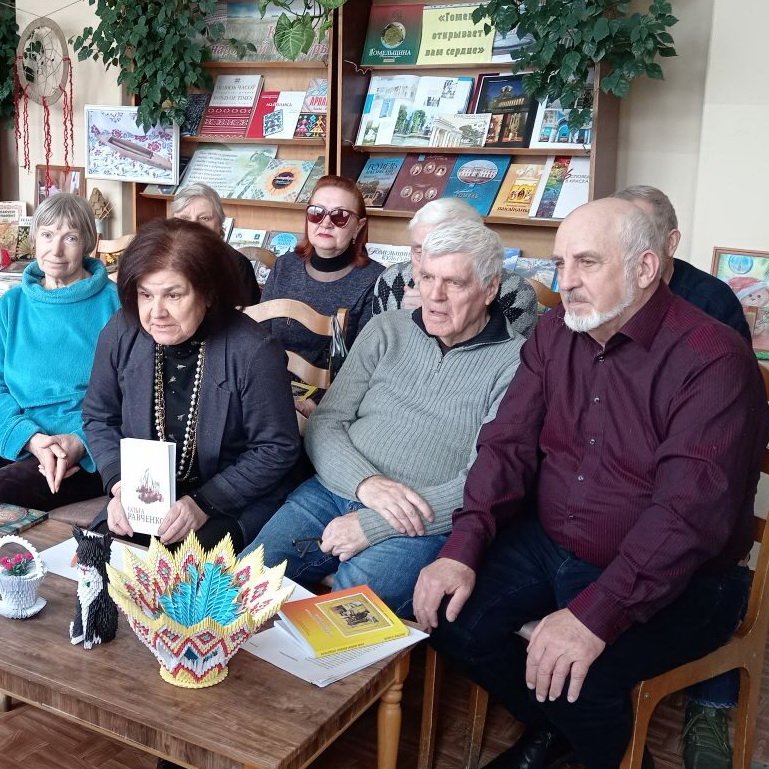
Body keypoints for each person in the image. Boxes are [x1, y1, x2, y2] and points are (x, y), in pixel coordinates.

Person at [414, 198, 768, 769]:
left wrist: (594, 616)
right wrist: (462, 546)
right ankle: (558, 733)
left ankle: (597, 747)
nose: (566, 281)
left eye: (587, 262)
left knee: (582, 675)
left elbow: (686, 516)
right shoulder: (556, 331)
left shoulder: (712, 357)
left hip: (684, 574)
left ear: (645, 268)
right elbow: (506, 445)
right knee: (450, 618)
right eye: (560, 264)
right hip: (553, 541)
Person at [245, 220, 524, 616]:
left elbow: (488, 481)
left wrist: (374, 523)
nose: (434, 296)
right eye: (427, 277)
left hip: (419, 522)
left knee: (349, 618)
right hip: (332, 491)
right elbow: (326, 422)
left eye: (454, 283)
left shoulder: (516, 362)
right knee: (240, 586)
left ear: (490, 288)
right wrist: (367, 485)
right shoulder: (386, 329)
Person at [615, 185, 751, 769]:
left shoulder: (712, 302)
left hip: (696, 475)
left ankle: (711, 704)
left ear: (670, 242)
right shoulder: (606, 290)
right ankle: (576, 716)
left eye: (643, 237)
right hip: (622, 481)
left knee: (703, 557)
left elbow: (717, 436)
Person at [82, 218, 301, 555]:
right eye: (145, 294)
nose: (156, 312)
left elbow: (276, 448)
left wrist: (203, 503)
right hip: (145, 493)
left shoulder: (253, 351)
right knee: (95, 558)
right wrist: (120, 485)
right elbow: (99, 416)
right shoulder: (122, 332)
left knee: (177, 572)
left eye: (173, 295)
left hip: (229, 497)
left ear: (208, 293)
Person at [0, 193, 120, 509]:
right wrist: (29, 438)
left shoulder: (116, 305)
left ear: (88, 243)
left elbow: (134, 396)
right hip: (22, 437)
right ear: (35, 239)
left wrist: (81, 442)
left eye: (70, 237)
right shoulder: (11, 305)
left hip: (84, 448)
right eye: (47, 235)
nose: (55, 250)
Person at [260, 174, 384, 371]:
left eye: (340, 216)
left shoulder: (376, 280)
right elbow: (260, 337)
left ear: (358, 227)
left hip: (337, 388)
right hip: (270, 378)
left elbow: (363, 364)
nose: (325, 223)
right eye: (317, 212)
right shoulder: (284, 266)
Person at [372, 197, 538, 338]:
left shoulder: (515, 292)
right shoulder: (391, 279)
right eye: (419, 251)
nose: (426, 264)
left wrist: (436, 315)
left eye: (442, 251)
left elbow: (502, 359)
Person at [614, 184, 751, 343]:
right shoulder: (600, 290)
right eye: (615, 238)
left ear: (671, 242)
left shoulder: (713, 301)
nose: (625, 251)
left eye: (639, 237)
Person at [171, 183, 261, 307]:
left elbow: (246, 316)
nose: (194, 225)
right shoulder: (158, 257)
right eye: (184, 218)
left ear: (220, 224)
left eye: (204, 218)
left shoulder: (238, 265)